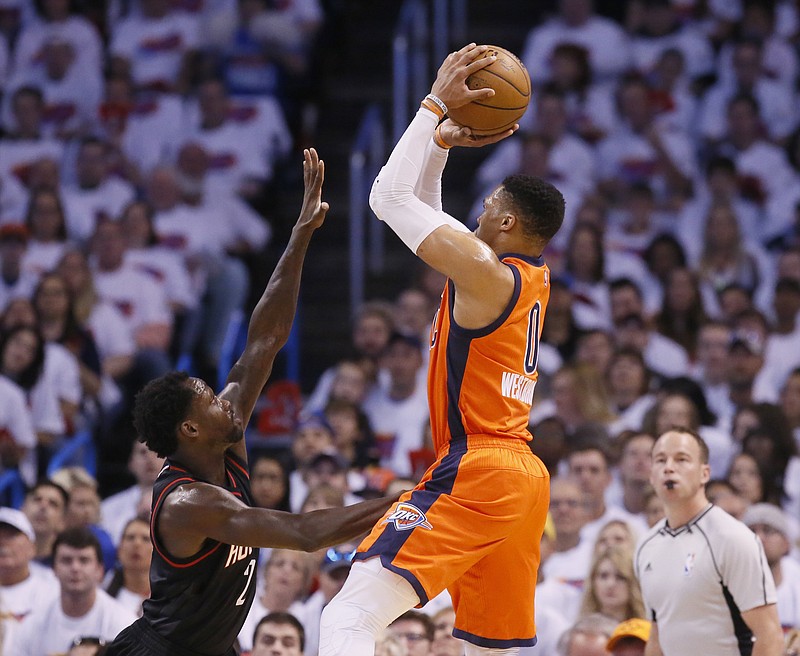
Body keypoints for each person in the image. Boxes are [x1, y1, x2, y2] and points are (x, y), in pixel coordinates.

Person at [320, 44, 565, 655]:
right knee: (488, 647)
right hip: (524, 478)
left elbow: (388, 199)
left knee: (347, 618)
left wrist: (432, 106)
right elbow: (424, 205)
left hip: (479, 467)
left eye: (489, 206)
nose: (477, 212)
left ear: (507, 223)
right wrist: (441, 144)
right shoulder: (523, 274)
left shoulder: (485, 272)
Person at [104, 149, 397, 656]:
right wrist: (407, 504)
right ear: (190, 430)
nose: (223, 399)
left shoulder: (225, 439)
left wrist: (300, 235)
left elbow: (265, 338)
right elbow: (303, 533)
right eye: (207, 400)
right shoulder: (187, 502)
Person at [634, 428, 784, 655]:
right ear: (652, 476)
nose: (669, 467)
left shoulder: (732, 538)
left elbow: (770, 634)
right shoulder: (646, 546)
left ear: (705, 473)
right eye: (661, 460)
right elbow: (657, 637)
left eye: (682, 459)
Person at [6, 527, 136, 655]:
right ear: (54, 570)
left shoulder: (124, 624)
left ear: (100, 570)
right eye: (66, 560)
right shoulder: (31, 624)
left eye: (84, 560)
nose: (75, 568)